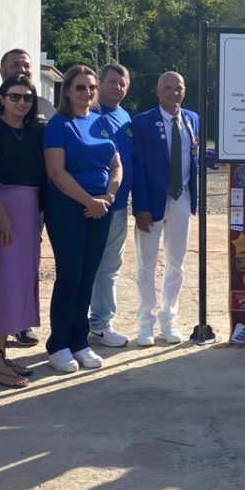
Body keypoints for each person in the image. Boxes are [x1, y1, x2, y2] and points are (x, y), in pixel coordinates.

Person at [43, 64, 121, 372]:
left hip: (101, 207)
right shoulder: (58, 125)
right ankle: (58, 344)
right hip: (67, 208)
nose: (87, 93)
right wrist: (89, 201)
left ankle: (79, 341)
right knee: (69, 276)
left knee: (88, 276)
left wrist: (108, 198)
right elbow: (55, 172)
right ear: (67, 91)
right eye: (80, 87)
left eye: (91, 87)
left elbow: (116, 165)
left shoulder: (102, 123)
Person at [0, 47, 51, 349]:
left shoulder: (34, 131)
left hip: (30, 211)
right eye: (15, 97)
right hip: (1, 209)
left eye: (27, 97)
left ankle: (14, 332)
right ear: (2, 99)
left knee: (22, 277)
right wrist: (1, 214)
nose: (21, 102)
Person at [130, 71, 200, 346]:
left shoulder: (192, 119)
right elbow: (136, 168)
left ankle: (168, 317)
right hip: (152, 202)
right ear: (158, 92)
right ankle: (145, 321)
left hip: (181, 198)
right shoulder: (142, 122)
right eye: (168, 88)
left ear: (184, 91)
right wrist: (141, 206)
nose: (174, 93)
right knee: (145, 264)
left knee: (176, 262)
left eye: (179, 88)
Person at [89, 64, 134, 348]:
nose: (117, 87)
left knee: (110, 267)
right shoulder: (89, 114)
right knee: (91, 266)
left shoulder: (126, 117)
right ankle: (96, 323)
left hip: (119, 204)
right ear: (100, 83)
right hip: (93, 203)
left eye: (122, 83)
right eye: (112, 81)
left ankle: (101, 322)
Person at [0, 48, 56, 125]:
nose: (22, 70)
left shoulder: (47, 106)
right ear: (2, 72)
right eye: (15, 65)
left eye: (26, 66)